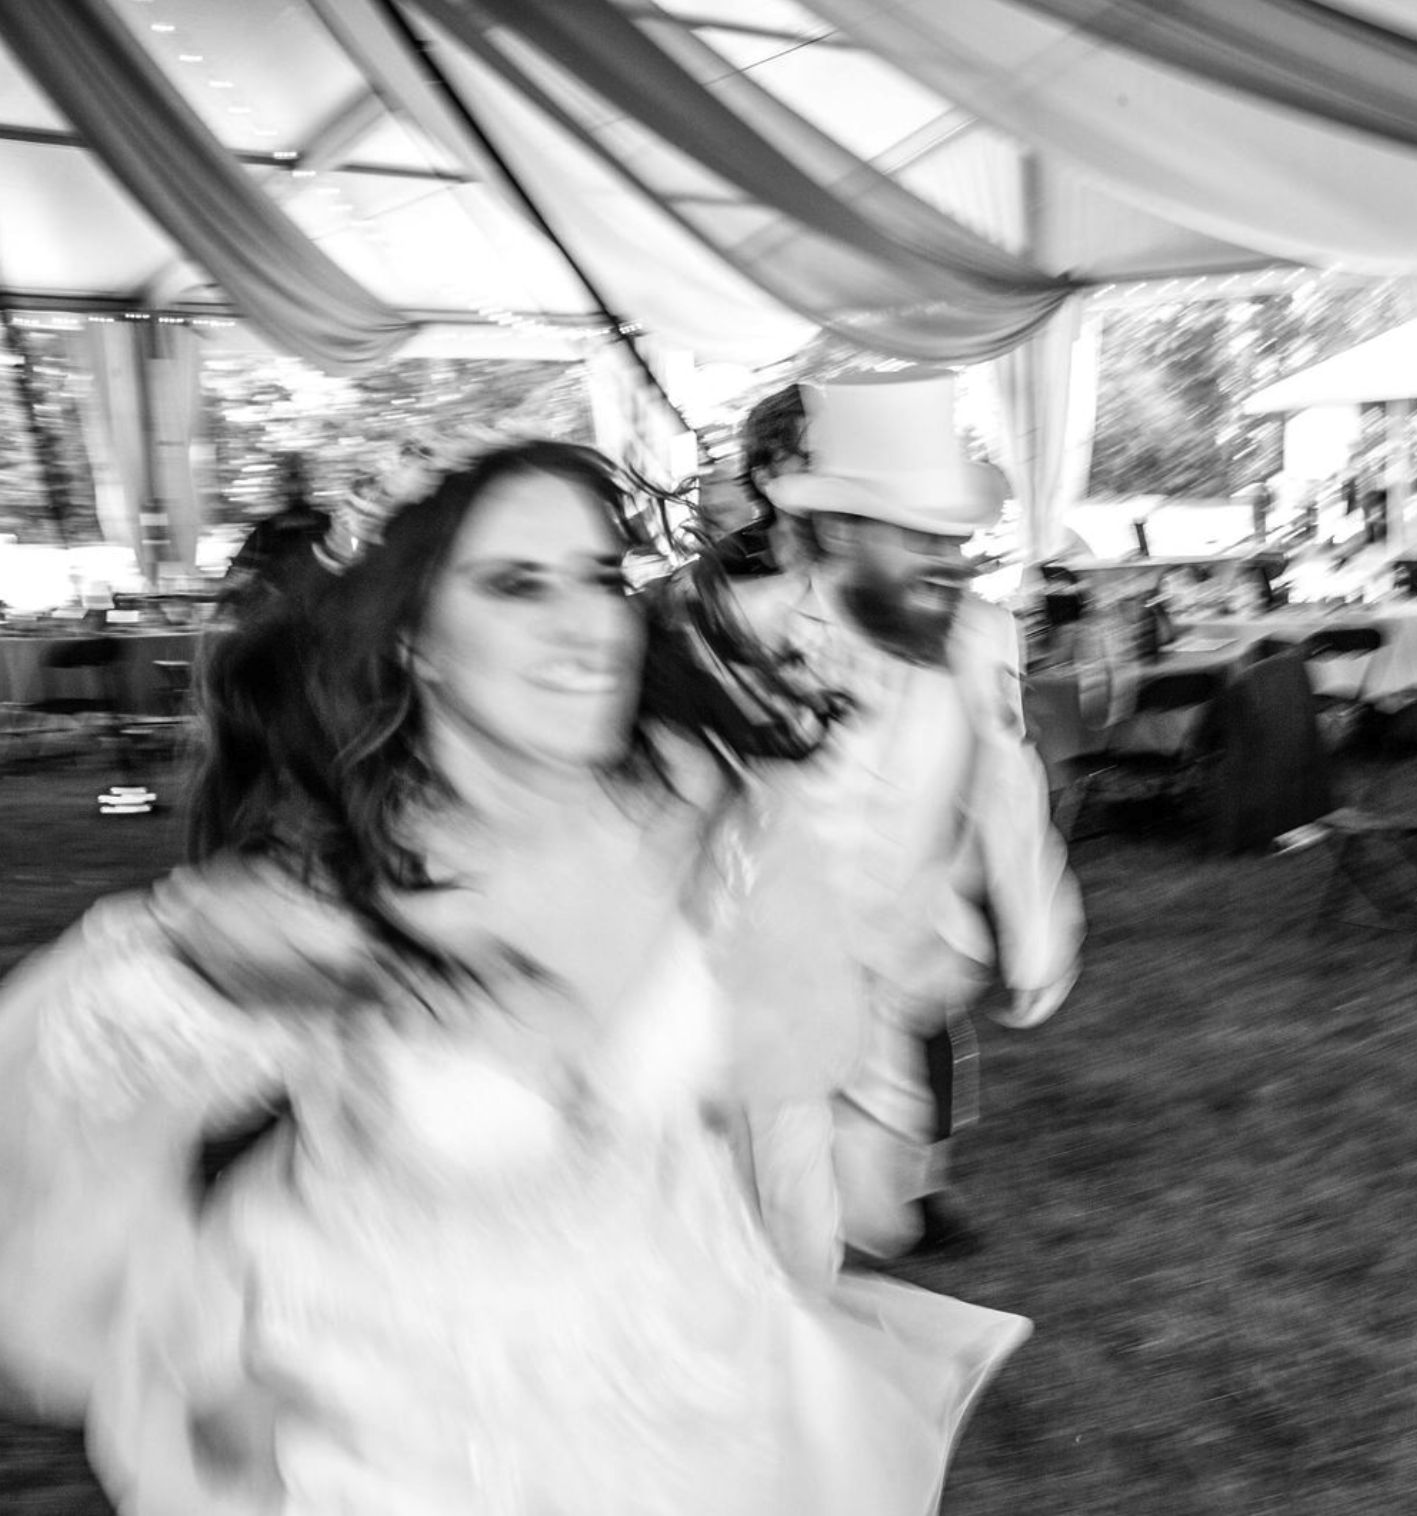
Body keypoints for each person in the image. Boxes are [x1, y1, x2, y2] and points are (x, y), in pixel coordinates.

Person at [0, 438, 1027, 1513]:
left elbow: (801, 1033)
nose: (587, 622)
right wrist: (206, 1377)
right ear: (415, 644)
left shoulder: (697, 806)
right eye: (514, 584)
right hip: (397, 1419)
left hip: (689, 1369)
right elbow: (55, 1150)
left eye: (597, 576)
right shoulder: (321, 902)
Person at [693, 370, 1084, 1262]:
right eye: (920, 537)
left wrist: (1036, 934)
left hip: (899, 974)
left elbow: (1006, 788)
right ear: (836, 529)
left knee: (870, 1215)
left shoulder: (981, 636)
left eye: (958, 539)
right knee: (773, 1231)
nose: (951, 561)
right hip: (758, 997)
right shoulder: (730, 631)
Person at [216, 453, 331, 614]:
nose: (295, 487)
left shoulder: (267, 530)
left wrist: (227, 599)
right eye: (291, 480)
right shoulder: (326, 524)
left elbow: (239, 576)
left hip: (285, 617)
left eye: (297, 480)